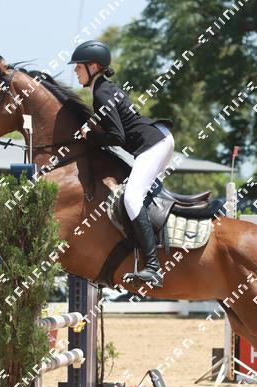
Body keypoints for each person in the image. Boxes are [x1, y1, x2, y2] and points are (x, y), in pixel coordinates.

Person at [69, 40, 174, 288]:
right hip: (158, 139)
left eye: (79, 66)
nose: (75, 70)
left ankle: (153, 267)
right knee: (138, 197)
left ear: (93, 67)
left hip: (153, 145)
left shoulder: (101, 93)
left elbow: (117, 137)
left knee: (131, 199)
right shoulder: (104, 88)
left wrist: (89, 137)